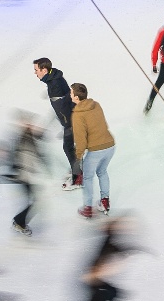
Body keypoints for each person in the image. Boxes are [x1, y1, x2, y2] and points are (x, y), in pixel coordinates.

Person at [33, 58, 80, 189]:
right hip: (72, 116)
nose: (35, 73)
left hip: (71, 121)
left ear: (44, 70)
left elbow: (61, 107)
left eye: (36, 70)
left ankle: (78, 178)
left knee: (68, 147)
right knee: (71, 147)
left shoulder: (54, 86)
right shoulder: (55, 76)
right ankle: (76, 168)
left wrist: (67, 126)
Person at [71, 83, 115, 218]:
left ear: (77, 97)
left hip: (96, 150)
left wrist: (78, 157)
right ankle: (105, 201)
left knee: (88, 177)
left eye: (71, 93)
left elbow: (80, 139)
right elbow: (104, 124)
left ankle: (88, 208)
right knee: (102, 172)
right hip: (110, 145)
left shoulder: (77, 114)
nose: (70, 95)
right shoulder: (96, 105)